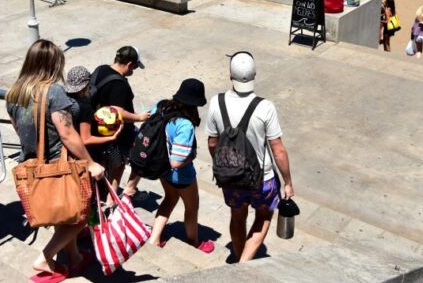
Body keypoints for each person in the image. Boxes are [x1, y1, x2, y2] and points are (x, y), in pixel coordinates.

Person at [7, 40, 105, 279]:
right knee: (80, 213)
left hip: (31, 166)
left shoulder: (14, 93)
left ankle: (75, 258)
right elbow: (67, 133)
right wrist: (90, 163)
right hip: (59, 167)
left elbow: (20, 130)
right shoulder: (54, 92)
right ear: (52, 64)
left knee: (63, 213)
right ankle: (44, 257)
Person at [206, 52, 294, 263]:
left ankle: (238, 258)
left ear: (230, 75)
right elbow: (278, 150)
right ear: (255, 74)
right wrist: (288, 182)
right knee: (263, 217)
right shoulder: (265, 107)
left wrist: (225, 163)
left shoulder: (216, 103)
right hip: (261, 180)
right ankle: (243, 266)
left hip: (231, 178)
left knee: (237, 216)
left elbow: (212, 143)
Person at [147, 79, 215, 254]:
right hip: (181, 175)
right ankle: (194, 241)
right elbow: (176, 162)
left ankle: (154, 239)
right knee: (192, 207)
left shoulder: (161, 106)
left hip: (161, 168)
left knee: (170, 199)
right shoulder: (184, 124)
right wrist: (192, 155)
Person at [89, 46, 150, 197]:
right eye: (134, 67)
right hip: (115, 135)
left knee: (102, 166)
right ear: (129, 64)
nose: (133, 71)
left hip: (95, 129)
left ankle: (100, 194)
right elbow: (118, 112)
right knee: (118, 167)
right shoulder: (120, 84)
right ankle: (111, 199)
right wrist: (139, 117)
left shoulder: (101, 69)